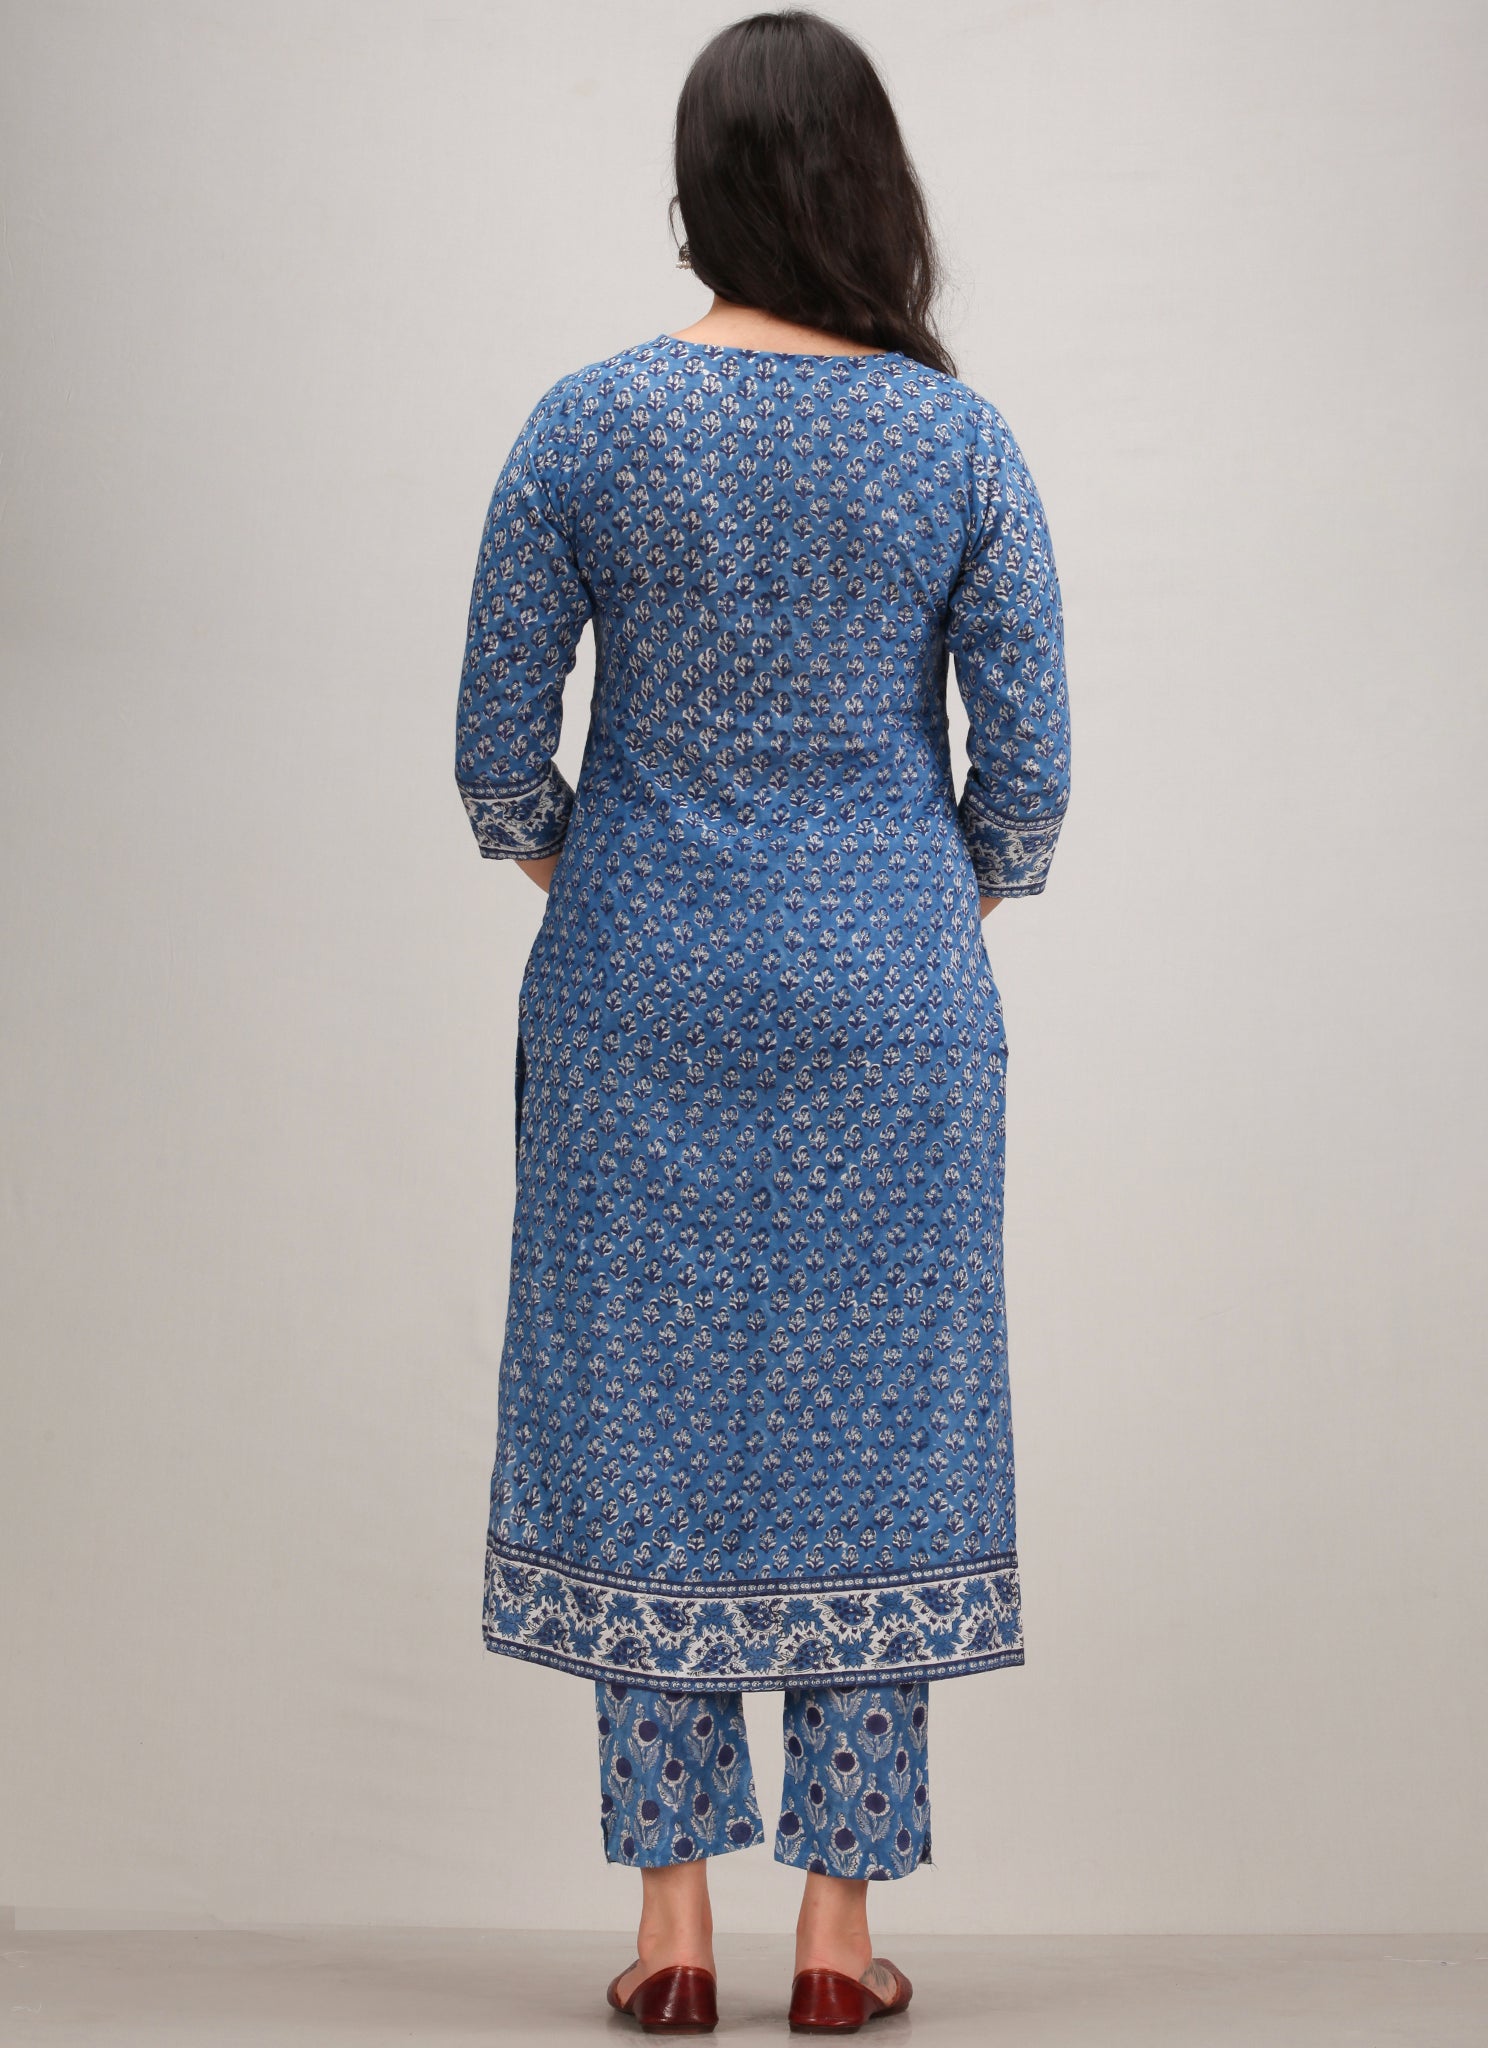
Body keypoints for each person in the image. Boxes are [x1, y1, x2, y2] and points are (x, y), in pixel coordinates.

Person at [453, 9, 1071, 2034]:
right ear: (874, 189)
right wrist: (909, 910)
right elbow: (1031, 786)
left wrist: (615, 883)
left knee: (643, 1418)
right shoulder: (960, 444)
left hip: (635, 991)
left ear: (696, 190)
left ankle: (669, 1928)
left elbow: (495, 764)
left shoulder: (583, 424)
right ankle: (834, 1929)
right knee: (878, 1434)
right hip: (894, 998)